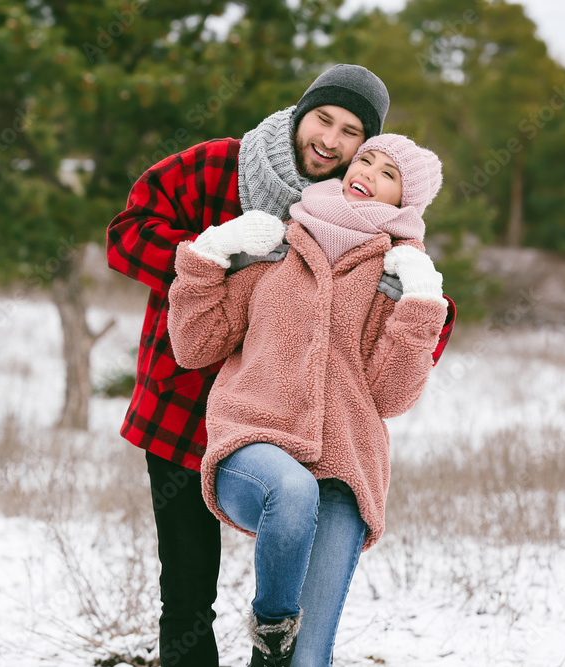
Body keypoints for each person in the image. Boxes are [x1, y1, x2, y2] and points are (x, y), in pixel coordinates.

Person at [106, 64, 412, 667]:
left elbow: (411, 282)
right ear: (302, 112)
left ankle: (272, 648)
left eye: (351, 132)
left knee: (291, 557)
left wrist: (422, 308)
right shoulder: (220, 164)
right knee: (188, 591)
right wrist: (214, 253)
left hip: (278, 415)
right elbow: (125, 234)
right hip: (182, 401)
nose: (329, 140)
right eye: (322, 119)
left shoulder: (355, 207)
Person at [167, 133, 452, 666]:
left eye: (389, 172)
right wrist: (208, 254)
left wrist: (419, 303)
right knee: (292, 491)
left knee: (311, 659)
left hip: (345, 469)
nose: (367, 170)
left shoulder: (395, 276)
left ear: (405, 201)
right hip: (250, 446)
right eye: (365, 158)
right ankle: (272, 628)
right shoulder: (277, 245)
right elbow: (194, 344)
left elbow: (390, 396)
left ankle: (285, 652)